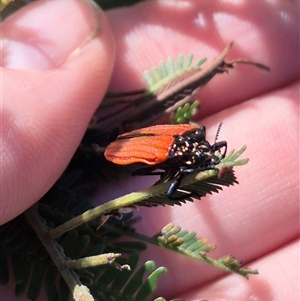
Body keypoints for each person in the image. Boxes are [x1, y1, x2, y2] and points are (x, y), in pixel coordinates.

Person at [1, 0, 299, 300]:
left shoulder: (191, 140)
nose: (210, 155)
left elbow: (180, 173)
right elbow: (170, 187)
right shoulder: (179, 146)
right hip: (132, 150)